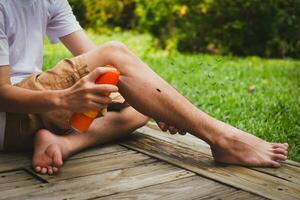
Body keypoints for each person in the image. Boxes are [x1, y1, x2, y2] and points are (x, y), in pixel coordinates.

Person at [0, 0, 288, 175]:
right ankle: (223, 140)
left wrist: (158, 106)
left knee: (138, 109)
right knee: (116, 54)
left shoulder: (49, 1)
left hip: (27, 120)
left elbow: (109, 70)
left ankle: (62, 143)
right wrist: (64, 99)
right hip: (7, 120)